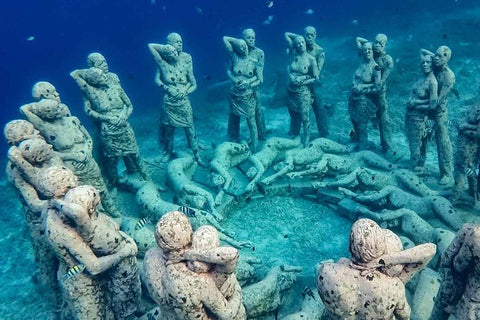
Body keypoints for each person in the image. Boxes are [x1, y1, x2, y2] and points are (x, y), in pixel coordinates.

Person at [40, 166, 136, 319]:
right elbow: (94, 267)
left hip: (92, 271)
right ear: (60, 191)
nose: (76, 181)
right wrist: (125, 252)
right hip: (82, 283)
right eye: (71, 182)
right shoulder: (64, 225)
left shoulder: (62, 205)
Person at [20, 81, 121, 217]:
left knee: (101, 185)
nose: (58, 109)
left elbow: (88, 138)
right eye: (50, 109)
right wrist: (73, 156)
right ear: (44, 113)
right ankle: (100, 216)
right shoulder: (47, 129)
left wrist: (87, 151)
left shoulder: (73, 120)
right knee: (85, 194)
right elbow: (24, 109)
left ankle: (114, 212)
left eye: (57, 107)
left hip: (88, 161)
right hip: (74, 168)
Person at [317, 218, 436, 320]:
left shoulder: (325, 272)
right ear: (382, 249)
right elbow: (431, 249)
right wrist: (383, 260)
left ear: (350, 244)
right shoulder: (394, 286)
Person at [143, 211, 244, 319]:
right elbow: (228, 315)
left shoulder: (150, 256)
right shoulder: (199, 281)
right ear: (190, 233)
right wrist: (237, 292)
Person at [70, 53, 149, 186]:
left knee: (135, 154)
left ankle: (148, 180)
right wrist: (107, 118)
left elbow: (128, 104)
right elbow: (88, 109)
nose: (105, 64)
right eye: (100, 63)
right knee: (112, 159)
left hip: (124, 126)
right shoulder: (88, 88)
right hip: (108, 130)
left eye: (105, 61)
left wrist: (124, 115)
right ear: (92, 69)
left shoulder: (113, 79)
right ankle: (114, 183)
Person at [148, 33, 203, 164]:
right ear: (168, 45)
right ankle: (168, 152)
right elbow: (157, 79)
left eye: (181, 41)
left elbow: (193, 83)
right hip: (169, 101)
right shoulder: (162, 61)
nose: (180, 44)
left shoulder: (187, 58)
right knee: (169, 129)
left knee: (190, 127)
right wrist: (168, 89)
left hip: (183, 100)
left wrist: (185, 91)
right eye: (176, 42)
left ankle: (197, 154)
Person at [339, 185, 463, 231]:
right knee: (455, 229)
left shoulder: (389, 189)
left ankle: (464, 196)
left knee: (459, 227)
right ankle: (466, 197)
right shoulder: (387, 206)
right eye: (378, 202)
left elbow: (370, 198)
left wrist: (352, 195)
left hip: (434, 203)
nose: (379, 201)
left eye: (377, 197)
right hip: (430, 213)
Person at [286, 26, 328, 137]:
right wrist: (299, 38)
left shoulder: (319, 51)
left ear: (315, 35)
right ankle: (294, 133)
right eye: (307, 35)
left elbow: (317, 73)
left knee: (318, 107)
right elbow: (287, 34)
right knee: (295, 110)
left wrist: (302, 79)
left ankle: (324, 133)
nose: (309, 37)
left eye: (312, 35)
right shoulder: (299, 44)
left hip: (313, 84)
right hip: (297, 85)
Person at [431, 224, 480, 319]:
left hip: (454, 284)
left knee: (438, 315)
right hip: (475, 300)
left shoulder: (472, 233)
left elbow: (458, 264)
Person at [357, 34, 394, 154]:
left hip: (378, 94)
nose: (377, 45)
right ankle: (362, 141)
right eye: (376, 42)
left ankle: (387, 146)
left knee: (383, 119)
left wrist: (367, 87)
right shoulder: (370, 50)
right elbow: (358, 39)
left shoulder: (387, 60)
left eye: (380, 43)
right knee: (361, 117)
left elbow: (382, 81)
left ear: (385, 45)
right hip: (366, 92)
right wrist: (369, 42)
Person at [224, 35, 261, 151]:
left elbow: (259, 79)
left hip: (248, 96)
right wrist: (234, 80)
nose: (244, 48)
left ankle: (255, 146)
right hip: (235, 95)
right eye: (240, 47)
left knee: (251, 120)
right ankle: (233, 141)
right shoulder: (234, 58)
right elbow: (225, 39)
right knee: (234, 118)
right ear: (237, 49)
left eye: (244, 46)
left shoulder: (254, 62)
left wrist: (248, 83)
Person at [285, 35, 319, 146]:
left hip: (303, 92)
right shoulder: (293, 56)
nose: (301, 44)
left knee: (305, 116)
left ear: (305, 43)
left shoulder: (311, 59)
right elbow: (288, 69)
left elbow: (315, 78)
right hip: (291, 91)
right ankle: (295, 135)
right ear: (295, 46)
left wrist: (302, 80)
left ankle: (307, 137)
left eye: (302, 42)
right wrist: (291, 78)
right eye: (298, 43)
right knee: (294, 114)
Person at [166, 157, 222, 221]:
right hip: (174, 166)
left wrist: (210, 212)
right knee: (190, 158)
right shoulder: (187, 188)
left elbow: (206, 196)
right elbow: (207, 194)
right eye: (204, 201)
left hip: (173, 168)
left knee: (191, 162)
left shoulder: (184, 195)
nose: (202, 200)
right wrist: (213, 210)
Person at [348, 40, 381, 150]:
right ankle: (358, 139)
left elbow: (377, 87)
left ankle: (363, 145)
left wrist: (362, 87)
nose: (367, 51)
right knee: (354, 120)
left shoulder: (375, 67)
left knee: (362, 123)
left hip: (366, 99)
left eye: (369, 50)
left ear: (373, 51)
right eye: (365, 50)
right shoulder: (362, 63)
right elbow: (358, 39)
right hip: (354, 98)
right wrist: (354, 83)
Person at [433, 45, 456, 185]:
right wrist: (435, 56)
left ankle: (447, 173)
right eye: (435, 54)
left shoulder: (449, 76)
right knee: (422, 137)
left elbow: (438, 100)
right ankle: (420, 166)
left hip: (439, 112)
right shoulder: (435, 66)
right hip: (428, 109)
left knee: (442, 141)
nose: (435, 58)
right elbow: (423, 52)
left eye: (440, 56)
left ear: (447, 59)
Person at [452, 100, 480, 205]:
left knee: (460, 170)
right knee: (470, 169)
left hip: (469, 146)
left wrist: (464, 128)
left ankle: (454, 199)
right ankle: (474, 196)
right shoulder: (477, 103)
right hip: (468, 146)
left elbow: (478, 134)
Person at [242, 28, 267, 140]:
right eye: (248, 37)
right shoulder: (238, 52)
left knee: (258, 110)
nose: (251, 40)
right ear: (243, 39)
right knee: (235, 114)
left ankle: (261, 135)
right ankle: (233, 136)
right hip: (239, 88)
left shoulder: (259, 53)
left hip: (254, 87)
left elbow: (260, 76)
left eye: (253, 37)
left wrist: (249, 84)